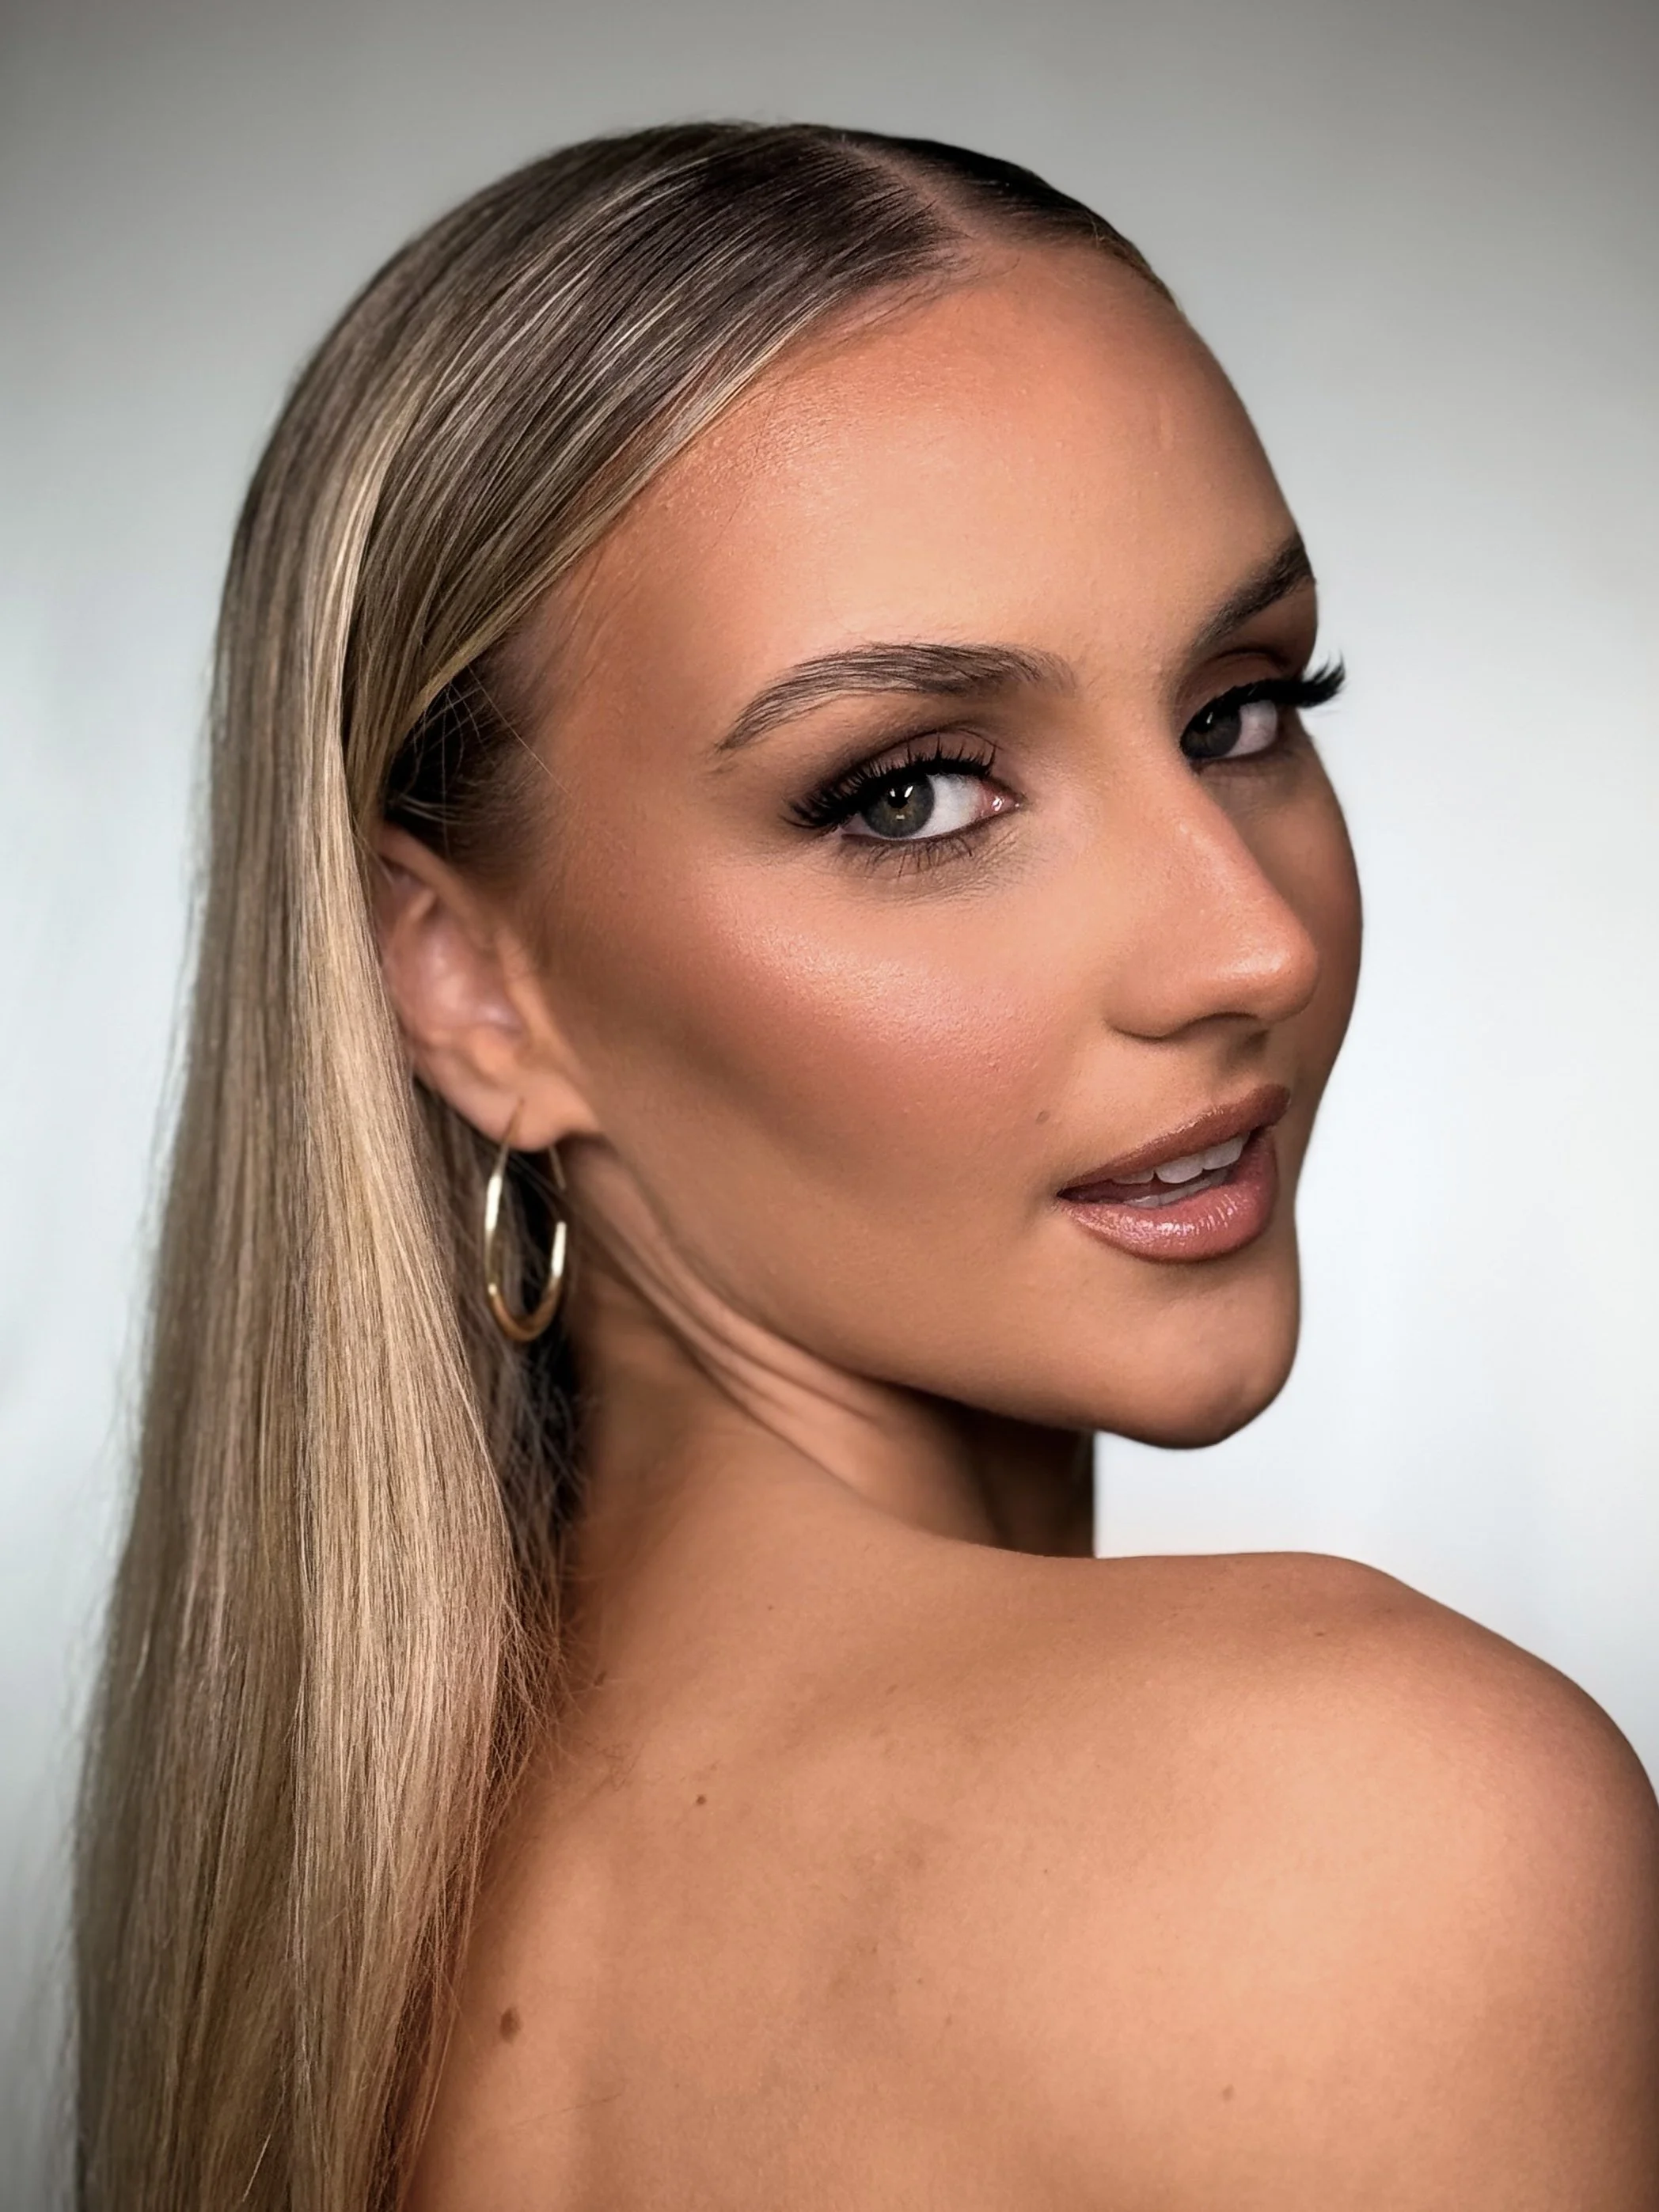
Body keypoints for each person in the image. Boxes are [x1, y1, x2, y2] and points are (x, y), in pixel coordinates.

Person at [74, 122, 1659, 2211]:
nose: (1248, 941)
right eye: (910, 793)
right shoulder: (1362, 1815)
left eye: (1243, 708)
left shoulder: (328, 1958)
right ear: (473, 991)